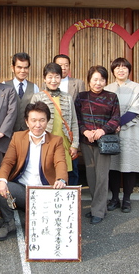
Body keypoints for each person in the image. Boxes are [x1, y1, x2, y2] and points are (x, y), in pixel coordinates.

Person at [0, 101, 68, 241]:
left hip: (45, 191)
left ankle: (32, 216)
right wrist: (2, 180)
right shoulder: (18, 137)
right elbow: (8, 161)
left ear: (47, 122)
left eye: (42, 120)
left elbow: (60, 162)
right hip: (23, 189)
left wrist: (61, 179)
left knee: (45, 232)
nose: (37, 125)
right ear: (27, 122)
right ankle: (9, 223)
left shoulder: (56, 141)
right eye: (33, 120)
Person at [104, 58, 139, 213]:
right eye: (117, 67)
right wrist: (112, 125)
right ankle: (115, 198)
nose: (121, 70)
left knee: (129, 166)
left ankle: (127, 199)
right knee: (114, 166)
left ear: (129, 70)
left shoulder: (136, 87)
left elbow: (135, 109)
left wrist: (117, 124)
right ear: (113, 71)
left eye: (124, 67)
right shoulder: (108, 88)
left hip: (131, 130)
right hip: (113, 132)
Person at [75, 65, 120, 224]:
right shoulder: (81, 97)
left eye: (102, 80)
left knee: (101, 177)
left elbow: (115, 119)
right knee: (91, 176)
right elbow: (77, 118)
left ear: (106, 81)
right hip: (87, 142)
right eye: (95, 79)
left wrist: (103, 130)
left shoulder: (112, 97)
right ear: (89, 81)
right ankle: (97, 206)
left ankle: (99, 211)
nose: (98, 83)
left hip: (103, 142)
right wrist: (84, 131)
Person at [30, 63, 79, 185]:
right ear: (44, 78)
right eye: (50, 77)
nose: (53, 80)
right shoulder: (37, 97)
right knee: (46, 175)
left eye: (57, 77)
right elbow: (32, 123)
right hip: (44, 143)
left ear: (61, 78)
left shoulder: (67, 98)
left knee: (64, 175)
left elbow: (73, 122)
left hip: (65, 144)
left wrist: (75, 145)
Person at [53, 54, 85, 185]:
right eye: (60, 65)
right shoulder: (48, 83)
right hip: (54, 131)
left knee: (73, 166)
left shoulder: (77, 83)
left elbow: (82, 108)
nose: (63, 68)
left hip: (71, 131)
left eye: (66, 65)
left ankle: (73, 196)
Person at [4, 52, 40, 132]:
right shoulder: (4, 86)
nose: (23, 71)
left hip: (28, 132)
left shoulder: (34, 87)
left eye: (26, 68)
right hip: (8, 132)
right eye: (19, 67)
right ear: (12, 68)